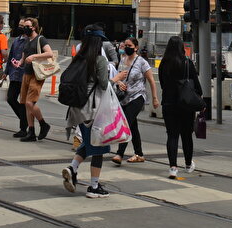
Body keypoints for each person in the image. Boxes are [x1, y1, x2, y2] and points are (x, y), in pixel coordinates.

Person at [60, 25, 111, 198]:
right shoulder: (99, 60)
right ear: (98, 42)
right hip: (93, 109)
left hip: (78, 108)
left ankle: (72, 168)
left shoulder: (78, 58)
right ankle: (94, 187)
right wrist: (116, 79)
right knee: (98, 147)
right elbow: (104, 84)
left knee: (89, 142)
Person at [111, 36, 158, 165]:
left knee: (126, 122)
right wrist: (119, 82)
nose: (126, 48)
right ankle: (139, 154)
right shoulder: (122, 59)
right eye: (125, 45)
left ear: (136, 47)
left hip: (138, 97)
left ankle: (119, 154)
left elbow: (151, 81)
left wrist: (154, 98)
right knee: (133, 126)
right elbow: (118, 75)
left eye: (129, 46)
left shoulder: (142, 62)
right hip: (124, 98)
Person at [158, 35, 199, 179]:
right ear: (182, 47)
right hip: (186, 104)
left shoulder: (164, 63)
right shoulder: (188, 63)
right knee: (187, 135)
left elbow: (162, 84)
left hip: (168, 104)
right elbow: (197, 86)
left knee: (172, 135)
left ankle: (173, 168)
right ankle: (188, 164)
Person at [20, 17, 55, 142]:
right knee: (25, 104)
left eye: (27, 26)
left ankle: (43, 124)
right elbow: (24, 56)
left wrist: (34, 56)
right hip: (26, 73)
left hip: (37, 74)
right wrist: (19, 62)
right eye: (24, 26)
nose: (25, 28)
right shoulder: (27, 40)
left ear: (34, 27)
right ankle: (31, 132)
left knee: (30, 103)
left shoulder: (41, 39)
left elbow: (49, 53)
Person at [4, 18, 32, 139]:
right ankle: (24, 119)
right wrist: (6, 72)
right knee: (10, 98)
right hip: (14, 74)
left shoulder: (30, 41)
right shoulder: (16, 40)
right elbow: (11, 56)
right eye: (19, 25)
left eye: (23, 25)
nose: (20, 27)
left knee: (23, 102)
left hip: (24, 75)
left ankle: (23, 128)